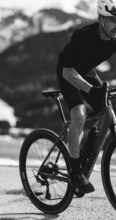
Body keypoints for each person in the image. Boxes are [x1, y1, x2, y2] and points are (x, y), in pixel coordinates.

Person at [57, 0, 116, 194]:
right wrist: (90, 89)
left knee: (109, 114)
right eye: (113, 20)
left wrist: (93, 88)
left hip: (87, 71)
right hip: (68, 71)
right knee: (79, 116)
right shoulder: (84, 35)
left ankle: (85, 156)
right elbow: (67, 72)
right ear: (101, 19)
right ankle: (75, 173)